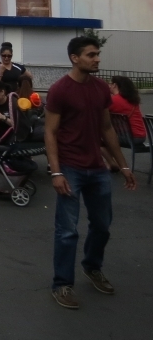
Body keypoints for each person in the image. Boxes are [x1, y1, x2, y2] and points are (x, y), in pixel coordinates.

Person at [46, 36, 136, 309]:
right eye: (91, 54)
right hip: (70, 168)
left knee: (102, 226)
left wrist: (123, 165)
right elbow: (50, 132)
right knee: (67, 231)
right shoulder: (60, 90)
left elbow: (107, 129)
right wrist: (56, 172)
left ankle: (92, 266)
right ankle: (62, 284)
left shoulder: (100, 89)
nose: (97, 58)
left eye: (97, 54)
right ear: (75, 58)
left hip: (97, 169)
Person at [102, 76, 146, 170]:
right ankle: (109, 164)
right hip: (140, 136)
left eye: (110, 83)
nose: (109, 85)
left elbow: (98, 114)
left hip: (127, 137)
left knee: (97, 139)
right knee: (110, 136)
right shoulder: (131, 100)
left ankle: (111, 162)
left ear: (115, 85)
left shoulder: (113, 100)